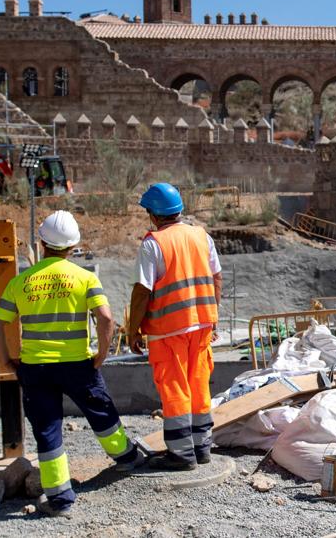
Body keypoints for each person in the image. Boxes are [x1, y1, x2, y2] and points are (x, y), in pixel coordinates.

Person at [0, 211, 144, 517]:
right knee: (101, 411)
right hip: (77, 364)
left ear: (42, 243)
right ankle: (126, 457)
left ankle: (59, 497)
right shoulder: (84, 278)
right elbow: (107, 318)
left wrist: (5, 360)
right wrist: (102, 353)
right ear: (73, 246)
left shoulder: (21, 281)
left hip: (35, 368)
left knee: (47, 428)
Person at [127, 183, 222, 471]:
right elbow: (216, 278)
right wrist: (212, 316)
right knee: (198, 385)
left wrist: (133, 329)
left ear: (153, 214)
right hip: (202, 325)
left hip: (168, 330)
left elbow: (143, 291)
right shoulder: (201, 236)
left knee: (175, 389)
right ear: (178, 210)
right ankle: (201, 447)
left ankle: (181, 455)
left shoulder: (153, 243)